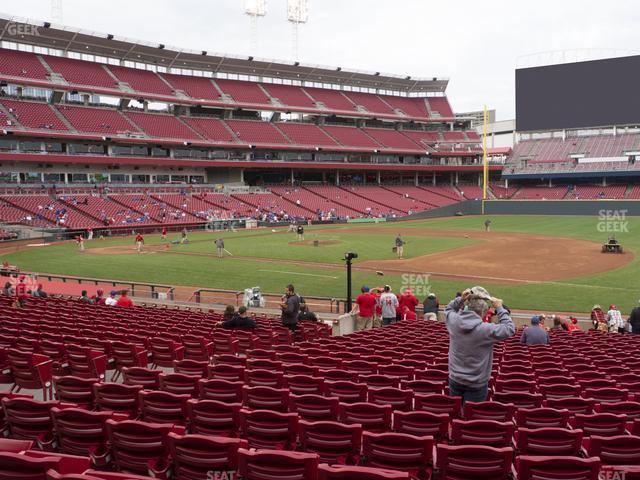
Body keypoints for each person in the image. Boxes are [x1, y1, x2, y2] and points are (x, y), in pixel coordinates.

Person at [445, 286, 515, 403]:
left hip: (455, 378)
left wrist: (460, 299)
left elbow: (448, 309)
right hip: (476, 383)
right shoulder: (486, 330)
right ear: (483, 312)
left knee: (455, 412)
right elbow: (509, 328)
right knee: (472, 417)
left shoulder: (454, 321)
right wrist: (500, 308)